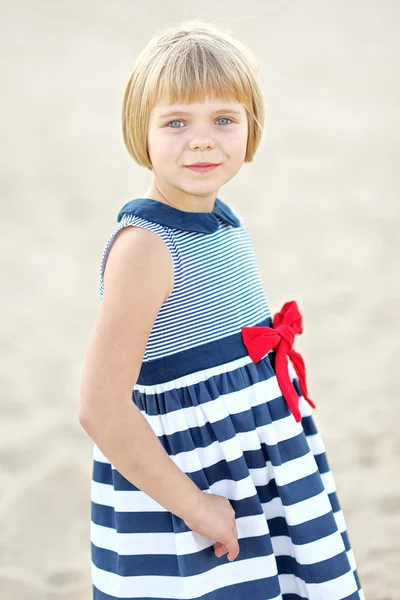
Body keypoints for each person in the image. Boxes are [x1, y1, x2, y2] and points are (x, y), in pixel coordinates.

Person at [78, 19, 364, 600]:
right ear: (142, 132)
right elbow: (100, 406)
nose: (202, 140)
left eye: (224, 120)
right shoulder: (146, 247)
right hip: (193, 487)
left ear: (251, 129)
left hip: (257, 466)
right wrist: (194, 506)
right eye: (176, 122)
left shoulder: (220, 220)